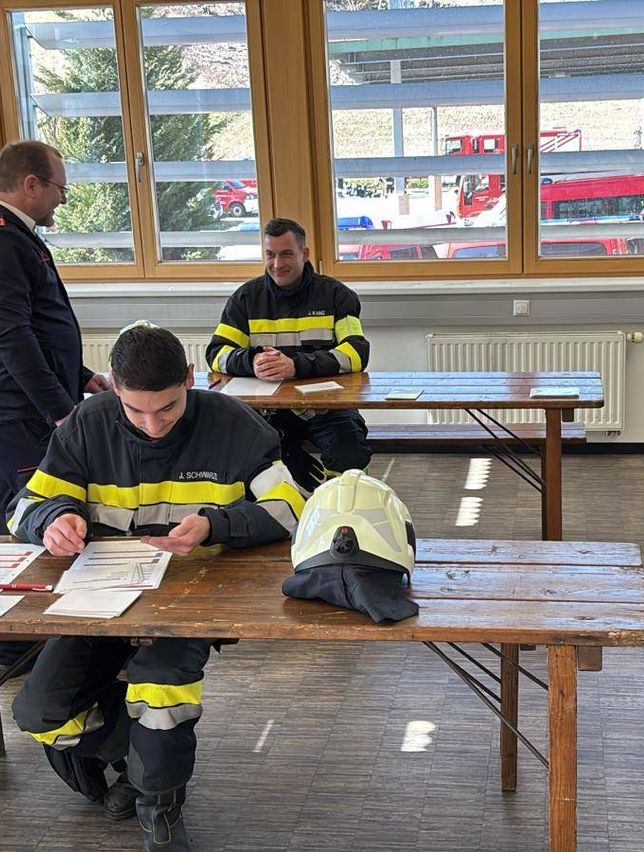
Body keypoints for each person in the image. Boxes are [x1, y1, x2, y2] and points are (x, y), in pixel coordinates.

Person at [7, 323, 304, 851]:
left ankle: (160, 813)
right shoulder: (85, 424)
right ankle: (143, 764)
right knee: (37, 712)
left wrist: (217, 524)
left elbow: (293, 509)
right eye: (136, 410)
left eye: (167, 408)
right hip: (100, 597)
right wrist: (53, 518)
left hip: (191, 597)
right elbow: (25, 507)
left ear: (190, 379)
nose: (153, 424)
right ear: (115, 389)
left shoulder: (234, 423)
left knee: (162, 687)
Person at [0, 140, 109, 675]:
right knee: (32, 517)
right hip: (20, 417)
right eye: (61, 188)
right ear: (31, 184)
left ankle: (50, 638)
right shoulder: (4, 241)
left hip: (37, 406)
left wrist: (85, 379)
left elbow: (44, 331)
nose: (63, 200)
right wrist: (60, 412)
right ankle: (18, 645)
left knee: (51, 513)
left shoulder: (20, 237)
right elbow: (13, 337)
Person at [206, 217, 371, 491]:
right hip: (267, 412)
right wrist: (252, 361)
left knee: (349, 449)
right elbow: (216, 353)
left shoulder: (337, 295)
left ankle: (339, 509)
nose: (277, 264)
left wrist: (296, 365)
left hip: (325, 408)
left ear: (304, 254)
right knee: (252, 451)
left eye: (286, 254)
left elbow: (356, 352)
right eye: (270, 255)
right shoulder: (245, 298)